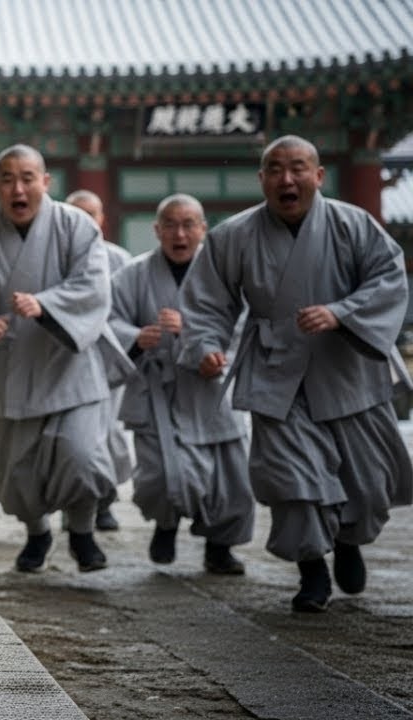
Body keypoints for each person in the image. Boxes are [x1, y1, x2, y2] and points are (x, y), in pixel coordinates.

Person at [178, 135, 413, 612]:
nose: (288, 179)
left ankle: (348, 540)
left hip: (346, 369)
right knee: (292, 480)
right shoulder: (233, 236)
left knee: (367, 486)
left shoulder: (354, 224)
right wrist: (205, 346)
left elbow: (389, 278)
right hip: (274, 371)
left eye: (299, 168)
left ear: (318, 175)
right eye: (276, 170)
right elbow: (206, 302)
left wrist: (342, 312)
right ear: (262, 179)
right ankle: (312, 573)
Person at [0, 144, 134, 573]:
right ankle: (37, 532)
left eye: (28, 177)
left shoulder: (77, 227)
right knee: (19, 474)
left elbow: (94, 287)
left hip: (69, 370)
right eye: (7, 179)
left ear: (45, 182)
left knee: (80, 457)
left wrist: (47, 304)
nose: (18, 188)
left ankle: (82, 531)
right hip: (11, 372)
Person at [109, 194, 254, 574]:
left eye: (189, 224)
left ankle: (219, 548)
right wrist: (137, 337)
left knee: (228, 478)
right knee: (160, 476)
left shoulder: (226, 274)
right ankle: (166, 522)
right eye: (170, 225)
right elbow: (107, 322)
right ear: (156, 230)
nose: (179, 233)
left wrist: (206, 348)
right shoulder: (132, 274)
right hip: (158, 393)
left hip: (210, 390)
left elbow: (245, 328)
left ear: (203, 229)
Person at [66, 188, 135, 531]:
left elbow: (128, 313)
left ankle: (105, 500)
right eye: (75, 215)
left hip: (106, 359)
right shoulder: (57, 257)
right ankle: (74, 506)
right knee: (71, 438)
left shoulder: (120, 260)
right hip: (67, 360)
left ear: (102, 219)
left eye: (90, 215)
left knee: (108, 434)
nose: (84, 223)